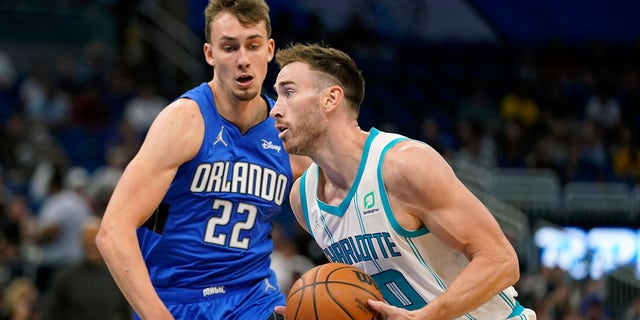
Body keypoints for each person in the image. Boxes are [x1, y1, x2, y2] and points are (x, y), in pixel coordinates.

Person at [269, 43, 537, 319]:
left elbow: (501, 261)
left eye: (288, 93)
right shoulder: (303, 199)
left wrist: (427, 316)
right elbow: (362, 294)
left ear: (331, 98)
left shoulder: (403, 165)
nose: (274, 110)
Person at [95, 1, 310, 319]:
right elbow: (113, 231)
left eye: (253, 45)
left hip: (254, 298)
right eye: (229, 47)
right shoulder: (184, 121)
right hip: (176, 300)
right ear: (210, 54)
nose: (242, 60)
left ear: (269, 49)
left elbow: (346, 198)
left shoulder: (287, 129)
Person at [45, 216, 131, 320]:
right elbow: (52, 314)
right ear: (81, 241)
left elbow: (126, 313)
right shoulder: (65, 278)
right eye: (88, 239)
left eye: (95, 239)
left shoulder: (117, 277)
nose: (91, 243)